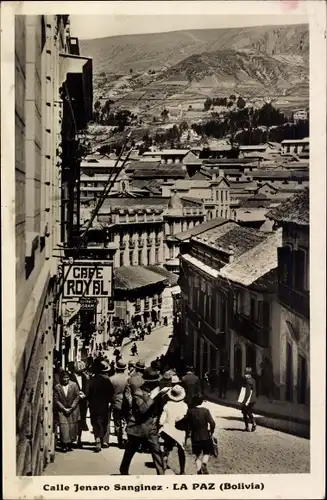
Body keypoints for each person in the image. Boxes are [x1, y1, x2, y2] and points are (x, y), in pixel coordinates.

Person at [119, 367, 164, 475]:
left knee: (156, 450)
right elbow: (143, 409)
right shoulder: (138, 392)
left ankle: (161, 474)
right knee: (131, 450)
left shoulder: (156, 393)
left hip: (150, 426)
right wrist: (153, 396)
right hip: (137, 426)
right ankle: (123, 469)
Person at [176, 396, 216, 475]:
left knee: (197, 456)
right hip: (206, 436)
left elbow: (184, 421)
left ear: (194, 403)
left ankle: (199, 471)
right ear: (201, 402)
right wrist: (211, 431)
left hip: (195, 437)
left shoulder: (190, 412)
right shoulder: (206, 411)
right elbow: (212, 423)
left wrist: (177, 422)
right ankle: (204, 464)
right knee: (207, 453)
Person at [159, 385, 188, 474]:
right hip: (180, 431)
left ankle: (163, 466)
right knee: (181, 450)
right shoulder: (184, 405)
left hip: (168, 431)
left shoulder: (167, 405)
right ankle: (182, 471)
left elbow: (161, 421)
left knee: (167, 449)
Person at [88, 360, 114, 452]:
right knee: (103, 422)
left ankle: (97, 439)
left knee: (95, 423)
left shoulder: (91, 380)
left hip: (93, 405)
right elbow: (111, 393)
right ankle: (102, 438)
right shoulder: (106, 380)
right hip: (104, 405)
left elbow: (88, 394)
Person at [53, 371, 80, 452]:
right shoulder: (57, 386)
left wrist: (71, 408)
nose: (65, 379)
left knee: (72, 427)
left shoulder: (74, 385)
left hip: (73, 409)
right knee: (63, 427)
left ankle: (69, 444)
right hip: (62, 409)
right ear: (61, 378)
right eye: (64, 378)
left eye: (67, 377)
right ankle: (64, 444)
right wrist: (63, 408)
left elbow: (77, 397)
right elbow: (56, 399)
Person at [109, 360, 129, 447]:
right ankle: (125, 437)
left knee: (117, 422)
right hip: (126, 403)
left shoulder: (112, 379)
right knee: (125, 420)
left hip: (115, 402)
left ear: (116, 368)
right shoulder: (128, 378)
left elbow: (109, 393)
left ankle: (119, 440)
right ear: (125, 369)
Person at [69, 361, 89, 447]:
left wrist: (85, 395)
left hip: (83, 403)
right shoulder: (70, 377)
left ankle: (79, 439)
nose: (82, 371)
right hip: (74, 402)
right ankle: (72, 438)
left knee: (81, 421)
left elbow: (87, 389)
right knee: (73, 420)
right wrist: (77, 395)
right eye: (80, 369)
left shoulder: (85, 377)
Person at [241, 367, 257, 432]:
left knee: (245, 413)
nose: (245, 375)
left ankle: (249, 425)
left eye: (246, 373)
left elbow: (247, 392)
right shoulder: (253, 380)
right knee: (248, 412)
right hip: (253, 399)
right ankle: (252, 423)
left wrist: (244, 401)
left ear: (248, 374)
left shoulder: (247, 381)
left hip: (248, 399)